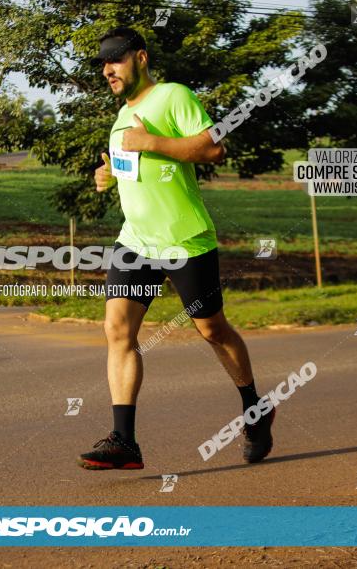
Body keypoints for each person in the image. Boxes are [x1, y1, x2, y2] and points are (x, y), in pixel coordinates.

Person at [77, 27, 274, 470]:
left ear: (140, 58)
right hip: (136, 241)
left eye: (116, 60)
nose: (108, 69)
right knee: (117, 332)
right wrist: (108, 177)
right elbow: (135, 174)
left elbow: (213, 148)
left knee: (212, 330)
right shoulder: (120, 117)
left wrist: (152, 142)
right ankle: (123, 441)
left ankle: (255, 410)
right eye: (103, 64)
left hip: (184, 239)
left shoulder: (173, 96)